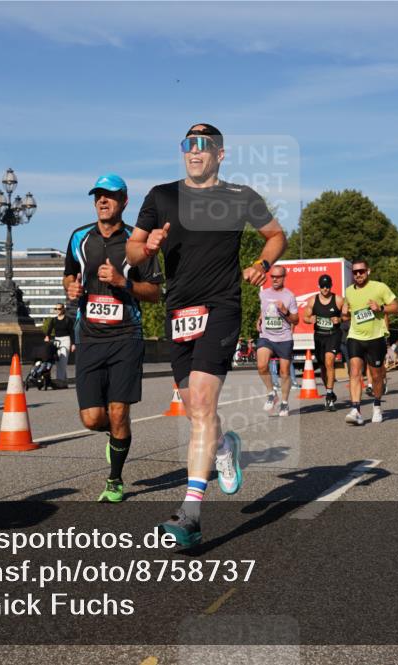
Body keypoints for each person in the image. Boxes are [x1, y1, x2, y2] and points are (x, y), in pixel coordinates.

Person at [126, 123, 286, 546]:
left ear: (220, 154)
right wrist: (149, 248)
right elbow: (133, 249)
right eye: (188, 146)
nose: (194, 152)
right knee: (198, 409)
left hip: (222, 307)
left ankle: (191, 515)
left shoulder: (240, 197)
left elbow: (275, 235)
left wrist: (262, 264)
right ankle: (223, 447)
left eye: (204, 146)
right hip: (179, 311)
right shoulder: (161, 196)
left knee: (199, 399)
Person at [64, 173, 163, 503]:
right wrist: (70, 287)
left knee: (119, 411)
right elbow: (68, 273)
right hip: (90, 337)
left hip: (126, 337)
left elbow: (155, 292)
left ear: (124, 201)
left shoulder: (138, 242)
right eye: (97, 196)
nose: (102, 201)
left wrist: (124, 282)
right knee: (92, 418)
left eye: (109, 196)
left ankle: (115, 480)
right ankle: (116, 437)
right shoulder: (79, 238)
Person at [341, 259, 398, 424]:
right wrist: (344, 313)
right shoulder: (349, 291)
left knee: (376, 375)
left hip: (375, 337)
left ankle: (377, 405)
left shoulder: (379, 287)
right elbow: (347, 316)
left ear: (368, 271)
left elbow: (395, 306)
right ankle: (355, 409)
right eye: (355, 272)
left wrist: (381, 308)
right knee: (354, 372)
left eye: (361, 271)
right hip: (355, 337)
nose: (358, 274)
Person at [255, 265, 299, 417]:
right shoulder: (263, 294)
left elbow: (296, 320)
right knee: (261, 366)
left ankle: (285, 403)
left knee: (285, 372)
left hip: (284, 338)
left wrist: (285, 311)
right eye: (272, 276)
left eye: (278, 276)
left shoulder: (289, 296)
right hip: (266, 336)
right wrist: (259, 319)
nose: (274, 279)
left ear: (283, 277)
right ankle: (271, 393)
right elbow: (263, 310)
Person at [302, 273, 344, 411]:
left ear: (331, 286)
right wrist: (310, 319)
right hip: (319, 336)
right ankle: (329, 391)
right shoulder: (313, 301)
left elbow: (347, 315)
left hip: (333, 335)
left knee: (329, 361)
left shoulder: (338, 300)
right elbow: (305, 317)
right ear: (319, 286)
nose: (325, 289)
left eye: (327, 286)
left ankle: (329, 396)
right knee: (323, 367)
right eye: (322, 286)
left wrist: (340, 320)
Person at [44, 303, 75, 383]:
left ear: (63, 309)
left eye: (59, 308)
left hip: (66, 340)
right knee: (58, 361)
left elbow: (72, 332)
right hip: (56, 340)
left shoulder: (68, 319)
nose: (57, 310)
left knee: (63, 360)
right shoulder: (54, 320)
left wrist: (73, 344)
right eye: (56, 309)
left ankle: (59, 380)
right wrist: (47, 336)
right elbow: (49, 329)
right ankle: (64, 381)